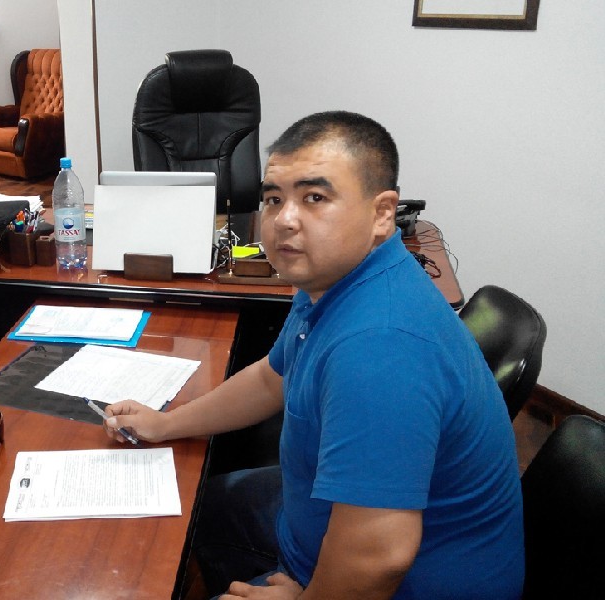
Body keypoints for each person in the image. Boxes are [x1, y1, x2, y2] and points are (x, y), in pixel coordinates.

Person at [104, 111, 524, 599]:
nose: (284, 219)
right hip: (321, 528)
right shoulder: (333, 278)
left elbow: (379, 557)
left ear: (382, 214)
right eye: (273, 199)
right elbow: (271, 379)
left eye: (315, 198)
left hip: (395, 585)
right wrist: (166, 423)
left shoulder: (381, 347)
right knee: (203, 506)